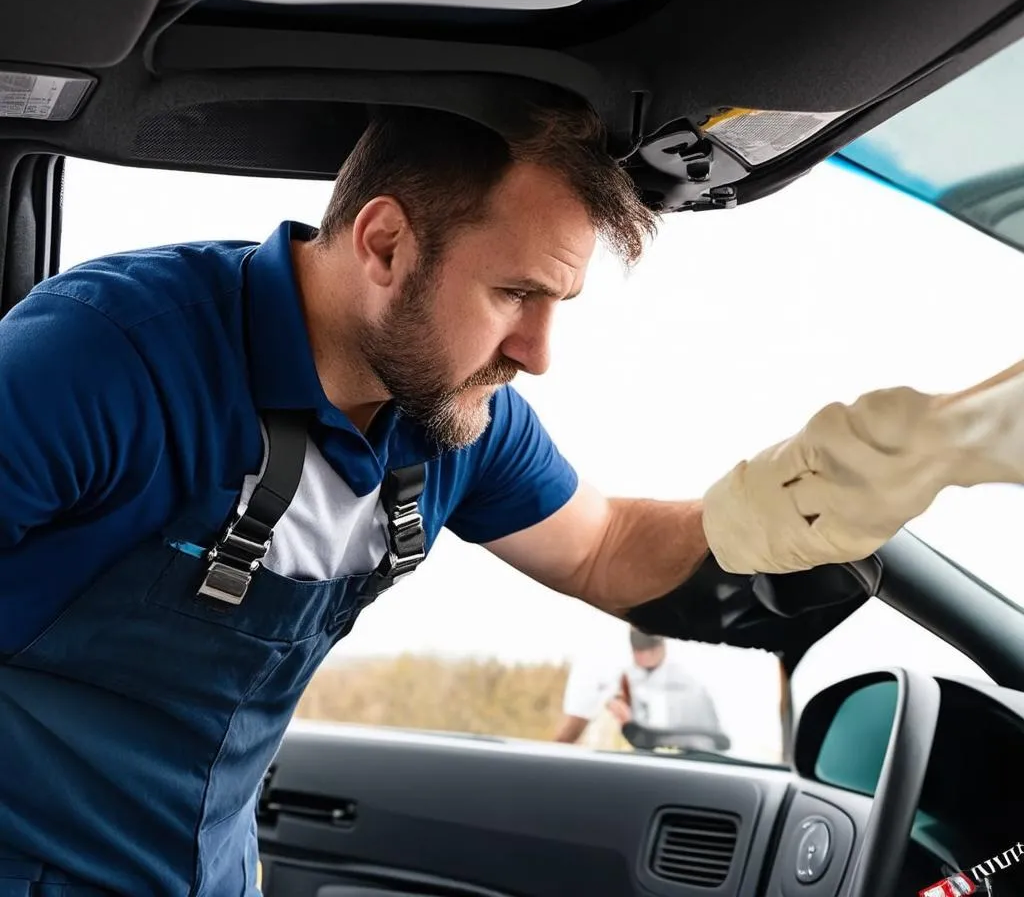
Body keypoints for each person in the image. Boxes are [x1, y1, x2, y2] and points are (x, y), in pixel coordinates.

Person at [2, 99, 1022, 896]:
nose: (536, 352)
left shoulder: (450, 418)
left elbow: (603, 548)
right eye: (514, 295)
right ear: (385, 244)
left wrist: (811, 499)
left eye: (556, 303)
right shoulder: (104, 360)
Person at [554, 629, 723, 748]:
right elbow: (568, 734)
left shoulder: (692, 684)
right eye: (639, 647)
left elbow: (710, 746)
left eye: (649, 646)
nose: (644, 654)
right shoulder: (601, 673)